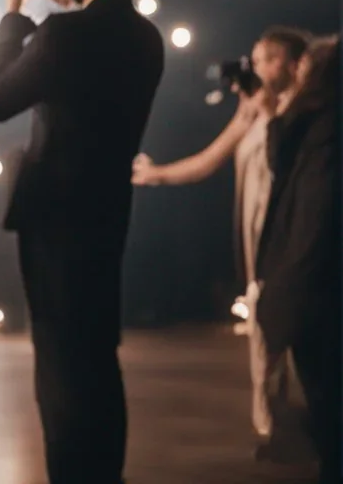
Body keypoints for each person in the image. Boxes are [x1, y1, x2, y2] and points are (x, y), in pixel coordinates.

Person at [0, 0, 165, 484]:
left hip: (55, 217)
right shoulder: (146, 38)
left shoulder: (63, 35)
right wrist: (66, 7)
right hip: (108, 212)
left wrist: (14, 11)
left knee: (59, 364)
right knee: (97, 356)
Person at [132, 27, 313, 458]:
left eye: (263, 60)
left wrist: (268, 111)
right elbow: (210, 159)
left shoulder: (307, 112)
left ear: (289, 64)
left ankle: (313, 427)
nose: (255, 69)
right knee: (263, 331)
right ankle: (274, 429)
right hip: (257, 240)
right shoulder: (251, 112)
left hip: (293, 237)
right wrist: (156, 175)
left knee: (300, 332)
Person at [255, 35, 340, 484]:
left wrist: (287, 292)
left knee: (327, 398)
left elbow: (313, 217)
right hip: (310, 284)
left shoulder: (324, 131)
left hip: (315, 286)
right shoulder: (309, 127)